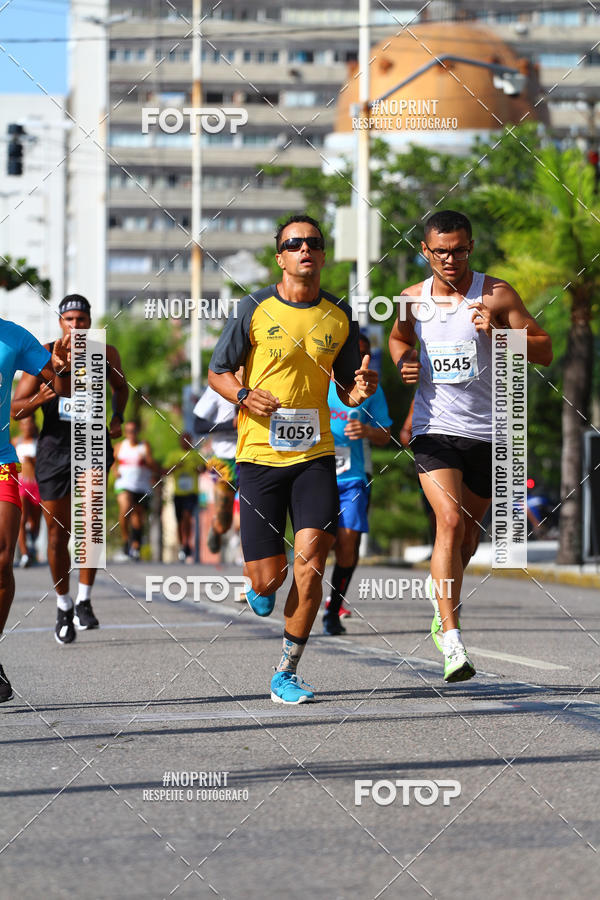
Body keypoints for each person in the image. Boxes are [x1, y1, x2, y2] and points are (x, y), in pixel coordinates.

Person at [208, 214, 378, 704]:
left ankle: (286, 670)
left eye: (314, 243)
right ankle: (259, 583)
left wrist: (360, 387)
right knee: (270, 578)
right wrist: (242, 394)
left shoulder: (339, 314)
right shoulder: (254, 307)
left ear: (322, 256)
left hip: (315, 456)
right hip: (260, 457)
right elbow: (218, 371)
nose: (305, 249)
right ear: (280, 256)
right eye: (294, 243)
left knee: (310, 563)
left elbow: (349, 383)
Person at [389, 209, 552, 683]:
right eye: (440, 252)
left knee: (467, 538)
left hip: (490, 433)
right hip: (435, 430)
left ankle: (442, 608)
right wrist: (405, 365)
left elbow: (544, 350)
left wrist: (501, 333)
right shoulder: (409, 300)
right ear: (425, 251)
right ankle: (453, 638)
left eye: (458, 250)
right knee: (450, 519)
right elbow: (399, 343)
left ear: (471, 247)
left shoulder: (496, 294)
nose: (450, 260)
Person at [12, 294, 128, 645]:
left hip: (93, 443)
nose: (76, 325)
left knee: (91, 523)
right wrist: (37, 401)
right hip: (54, 451)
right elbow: (15, 410)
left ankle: (84, 599)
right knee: (57, 531)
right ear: (60, 322)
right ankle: (63, 604)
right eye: (69, 320)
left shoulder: (105, 353)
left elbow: (121, 388)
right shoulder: (44, 354)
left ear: (90, 321)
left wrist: (118, 417)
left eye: (81, 319)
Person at [1, 317, 71, 700]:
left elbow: (63, 387)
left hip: (1, 461)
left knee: (1, 560)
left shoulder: (14, 336)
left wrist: (59, 370)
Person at [323, 332, 392, 635]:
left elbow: (386, 434)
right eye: (354, 354)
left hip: (353, 476)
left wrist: (365, 430)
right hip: (315, 472)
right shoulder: (316, 379)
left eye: (365, 354)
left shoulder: (372, 388)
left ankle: (333, 609)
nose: (359, 363)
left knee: (348, 542)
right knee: (315, 545)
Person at [193, 380, 239, 556]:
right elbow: (198, 425)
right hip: (223, 460)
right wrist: (230, 425)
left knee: (251, 513)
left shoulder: (261, 381)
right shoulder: (218, 388)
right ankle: (217, 527)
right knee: (224, 521)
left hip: (253, 456)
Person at [113, 420, 161, 561]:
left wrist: (147, 460)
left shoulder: (144, 446)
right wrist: (115, 470)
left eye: (133, 431)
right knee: (125, 507)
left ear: (137, 432)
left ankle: (135, 546)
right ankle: (125, 539)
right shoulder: (120, 446)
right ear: (125, 433)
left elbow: (153, 465)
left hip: (142, 486)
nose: (131, 434)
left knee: (138, 518)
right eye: (128, 431)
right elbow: (111, 461)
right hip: (124, 484)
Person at [165, 432, 203, 562]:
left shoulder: (195, 455)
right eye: (184, 440)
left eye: (188, 440)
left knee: (188, 516)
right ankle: (183, 545)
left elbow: (204, 468)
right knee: (180, 520)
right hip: (178, 493)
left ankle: (187, 543)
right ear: (180, 441)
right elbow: (165, 471)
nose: (186, 442)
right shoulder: (173, 455)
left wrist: (199, 469)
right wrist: (176, 467)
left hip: (192, 492)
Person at [12, 416, 42, 568]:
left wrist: (34, 461)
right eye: (24, 423)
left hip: (37, 485)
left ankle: (32, 537)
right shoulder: (16, 442)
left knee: (35, 523)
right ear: (21, 426)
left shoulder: (41, 441)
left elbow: (47, 461)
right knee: (22, 519)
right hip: (21, 484)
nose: (27, 426)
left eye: (30, 423)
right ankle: (24, 554)